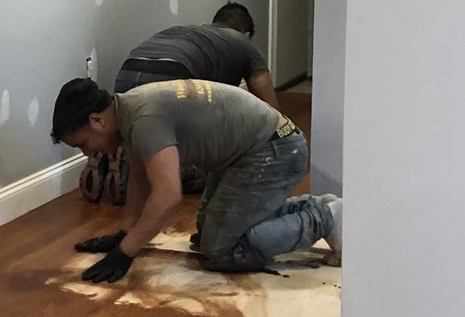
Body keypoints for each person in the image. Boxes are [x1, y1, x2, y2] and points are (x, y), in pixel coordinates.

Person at [51, 76, 341, 282]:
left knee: (222, 251)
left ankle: (325, 216)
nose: (88, 152)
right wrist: (127, 234)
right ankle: (310, 207)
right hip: (248, 154)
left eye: (82, 144)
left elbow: (168, 194)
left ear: (96, 120)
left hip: (274, 150)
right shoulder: (129, 111)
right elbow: (140, 179)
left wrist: (125, 253)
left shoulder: (143, 120)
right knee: (205, 239)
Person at [112, 3, 278, 107]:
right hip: (173, 72)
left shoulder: (193, 32)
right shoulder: (242, 42)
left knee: (131, 135)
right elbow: (268, 104)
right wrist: (285, 132)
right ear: (246, 33)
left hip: (128, 70)